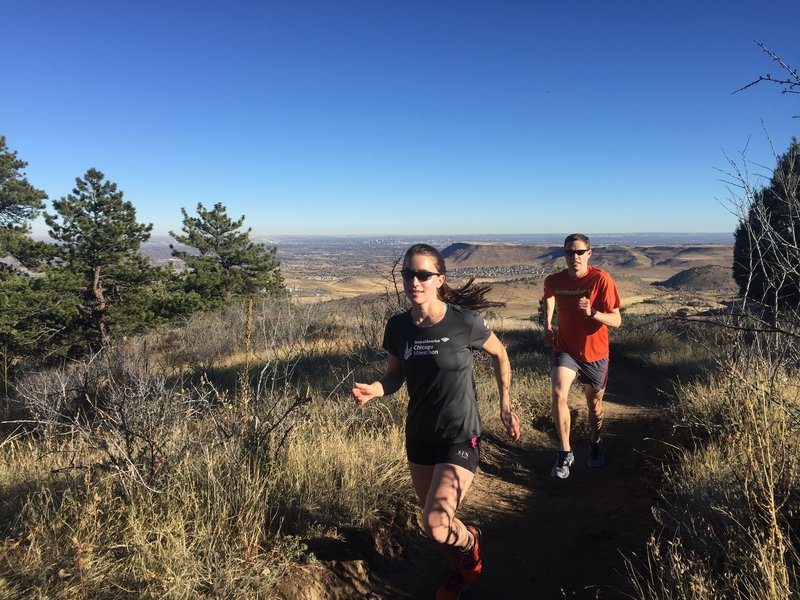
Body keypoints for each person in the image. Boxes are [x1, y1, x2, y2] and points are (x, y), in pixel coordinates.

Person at [352, 243, 521, 600]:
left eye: (423, 274)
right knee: (436, 527)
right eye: (408, 274)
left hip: (460, 434)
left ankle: (471, 543)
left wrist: (505, 404)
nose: (414, 281)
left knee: (436, 522)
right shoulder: (397, 326)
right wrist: (376, 390)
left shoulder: (464, 322)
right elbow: (395, 376)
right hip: (420, 435)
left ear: (439, 280)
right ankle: (458, 569)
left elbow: (501, 354)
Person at [542, 234, 621, 479]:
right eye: (569, 252)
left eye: (579, 252)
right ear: (563, 254)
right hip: (565, 349)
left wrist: (593, 312)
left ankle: (595, 442)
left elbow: (616, 320)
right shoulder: (554, 280)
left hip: (596, 354)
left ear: (589, 253)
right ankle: (565, 451)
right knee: (558, 394)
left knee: (594, 405)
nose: (574, 257)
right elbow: (549, 296)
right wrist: (547, 325)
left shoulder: (601, 279)